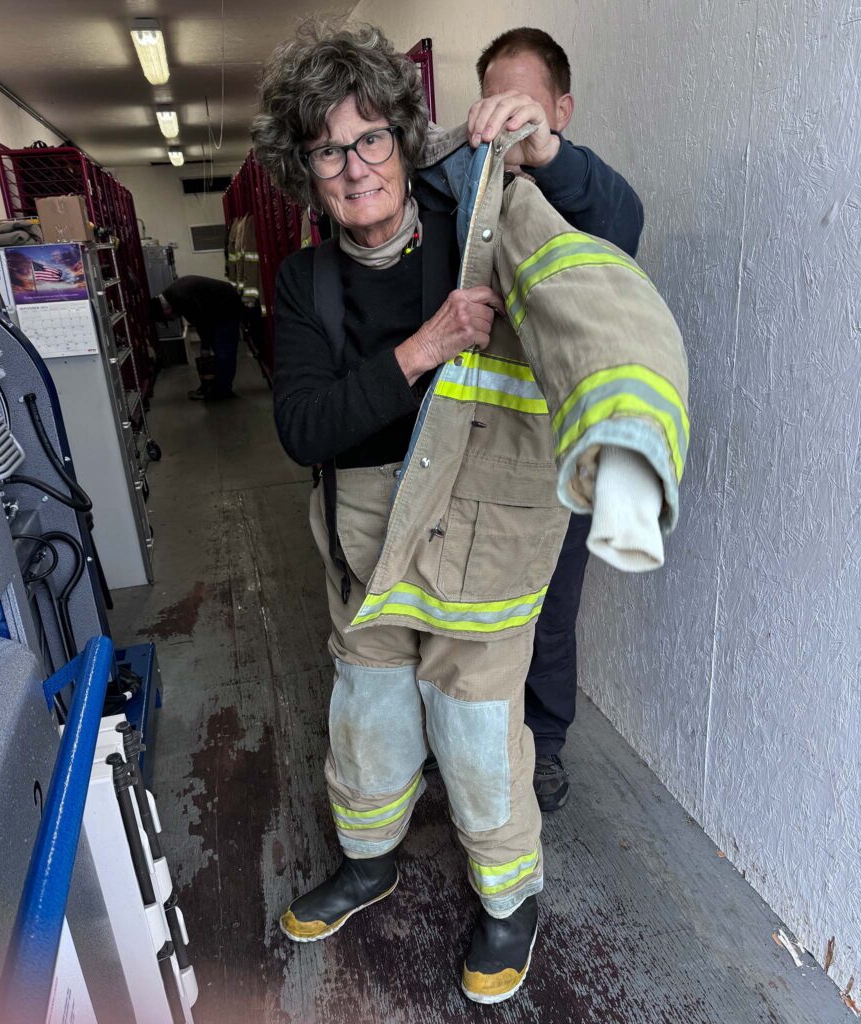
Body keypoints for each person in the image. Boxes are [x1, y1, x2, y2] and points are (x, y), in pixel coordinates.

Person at [252, 20, 688, 1005]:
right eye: (328, 147)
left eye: (370, 138)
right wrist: (423, 347)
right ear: (304, 166)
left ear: (403, 142)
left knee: (477, 727)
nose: (355, 164)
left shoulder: (480, 225)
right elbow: (303, 425)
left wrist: (545, 152)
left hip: (484, 529)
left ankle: (507, 899)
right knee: (365, 716)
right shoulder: (305, 280)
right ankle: (368, 860)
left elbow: (610, 237)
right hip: (362, 547)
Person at [467, 27, 645, 811]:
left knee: (548, 608)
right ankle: (469, 738)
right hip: (474, 445)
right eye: (491, 104)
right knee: (470, 607)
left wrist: (546, 156)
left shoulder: (576, 190)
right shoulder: (472, 187)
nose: (505, 122)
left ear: (559, 110)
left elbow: (624, 218)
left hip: (553, 451)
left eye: (524, 107)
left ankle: (544, 745)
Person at [152, 275, 243, 400]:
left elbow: (202, 322)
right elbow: (201, 320)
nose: (173, 319)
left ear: (166, 311)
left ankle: (223, 391)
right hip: (218, 306)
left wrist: (205, 347)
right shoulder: (173, 295)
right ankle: (214, 386)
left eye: (169, 319)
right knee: (218, 347)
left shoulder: (181, 298)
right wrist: (206, 344)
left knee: (224, 350)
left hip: (226, 305)